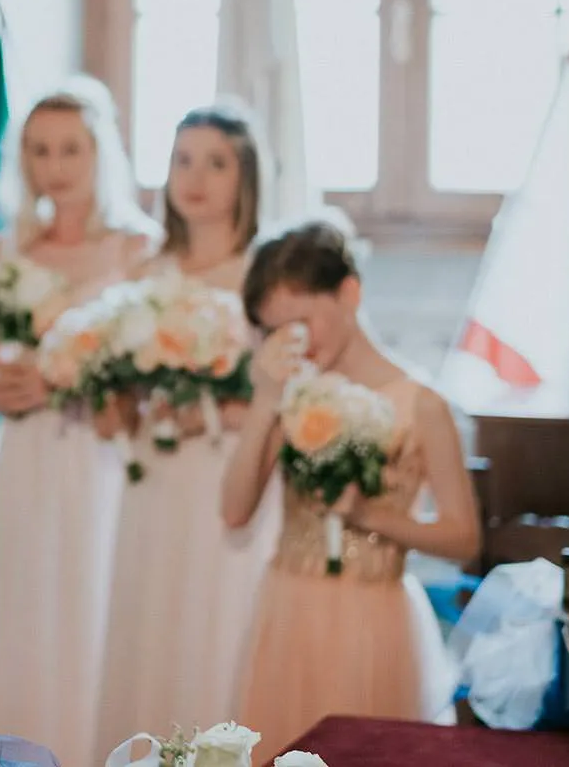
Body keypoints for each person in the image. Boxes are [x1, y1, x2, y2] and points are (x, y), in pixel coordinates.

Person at [0, 77, 157, 767]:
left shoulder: (139, 250)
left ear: (101, 154)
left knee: (92, 604)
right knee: (23, 612)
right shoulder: (5, 253)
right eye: (41, 150)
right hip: (24, 455)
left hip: (101, 455)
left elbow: (152, 371)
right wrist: (6, 388)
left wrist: (66, 377)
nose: (56, 166)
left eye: (71, 149)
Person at [223, 219, 478, 761]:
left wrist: (372, 515)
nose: (294, 343)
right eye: (275, 332)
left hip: (374, 618)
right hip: (288, 609)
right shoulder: (288, 396)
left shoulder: (422, 404)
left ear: (349, 293)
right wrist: (265, 400)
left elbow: (464, 538)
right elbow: (234, 510)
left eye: (302, 322)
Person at [93, 104, 280, 756]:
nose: (196, 177)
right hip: (153, 474)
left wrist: (203, 411)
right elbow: (119, 394)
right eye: (183, 160)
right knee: (152, 618)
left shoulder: (263, 271)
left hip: (228, 469)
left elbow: (279, 393)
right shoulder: (147, 271)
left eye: (216, 162)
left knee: (215, 619)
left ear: (245, 177)